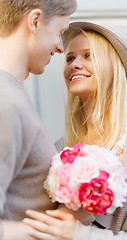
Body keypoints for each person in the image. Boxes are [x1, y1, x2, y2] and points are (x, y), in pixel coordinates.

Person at [23, 21, 127, 239]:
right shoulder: (59, 148)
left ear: (115, 68)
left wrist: (80, 235)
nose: (74, 64)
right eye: (70, 58)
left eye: (88, 56)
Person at [0, 0, 77, 239]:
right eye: (60, 32)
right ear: (34, 21)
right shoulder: (6, 102)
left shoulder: (13, 96)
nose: (61, 48)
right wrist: (55, 233)